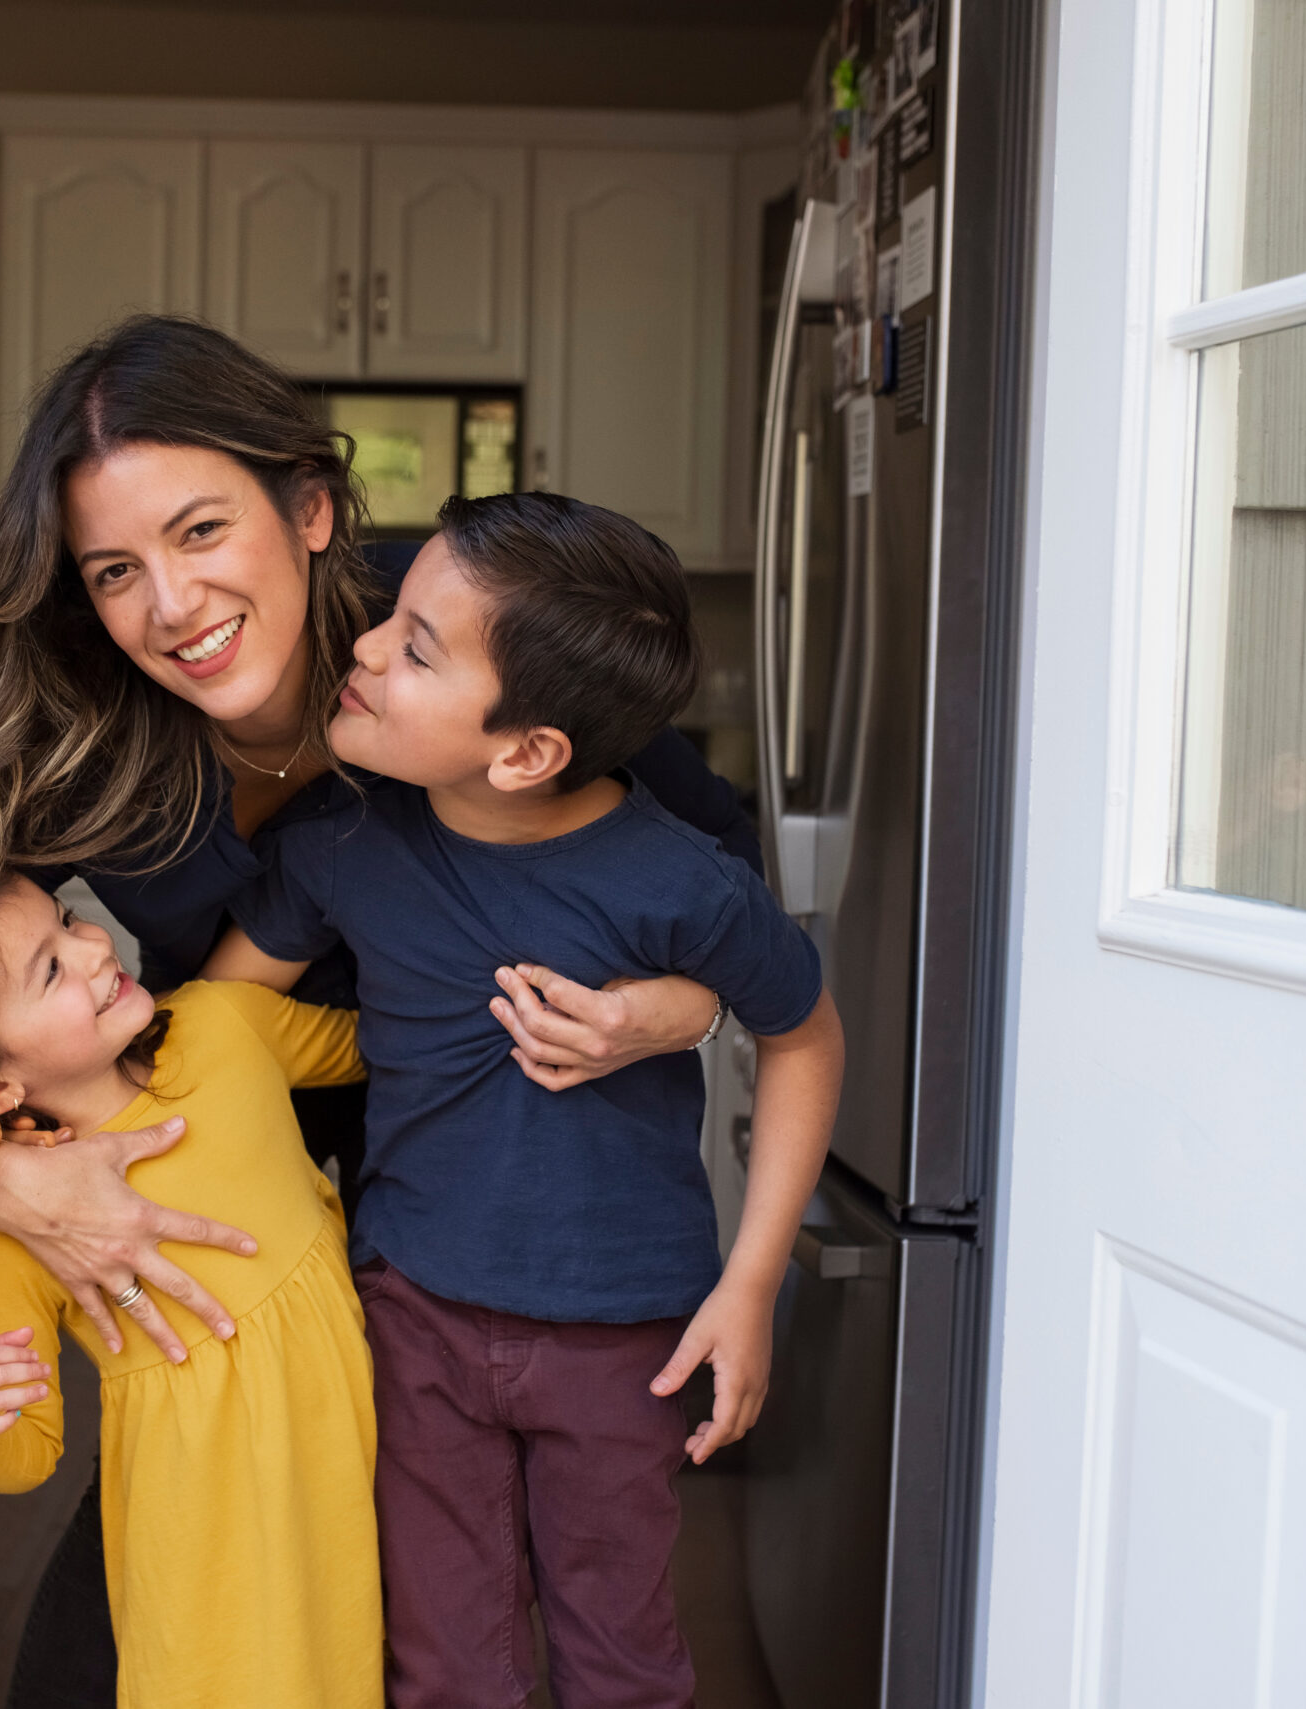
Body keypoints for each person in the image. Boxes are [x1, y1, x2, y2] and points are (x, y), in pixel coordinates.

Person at [0, 315, 762, 1702]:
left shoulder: (461, 629)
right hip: (235, 1239)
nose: (171, 607)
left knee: (501, 1635)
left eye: (201, 533)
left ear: (309, 510)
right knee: (134, 1632)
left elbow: (729, 887)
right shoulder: (71, 743)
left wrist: (670, 1013)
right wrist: (16, 1184)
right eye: (115, 570)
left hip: (496, 1232)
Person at [207, 491, 843, 1708]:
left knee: (620, 1659)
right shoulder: (345, 844)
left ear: (524, 751)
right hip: (414, 1315)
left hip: (622, 1340)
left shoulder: (683, 885)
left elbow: (804, 1036)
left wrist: (751, 1283)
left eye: (416, 647)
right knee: (446, 1663)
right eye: (391, 619)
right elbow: (221, 1027)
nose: (365, 648)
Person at [0, 861, 381, 1709]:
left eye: (69, 922)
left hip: (344, 1454)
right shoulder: (3, 1242)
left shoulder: (223, 1023)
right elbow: (26, 1452)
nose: (95, 945)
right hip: (199, 1536)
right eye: (51, 967)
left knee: (353, 1666)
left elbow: (375, 1044)